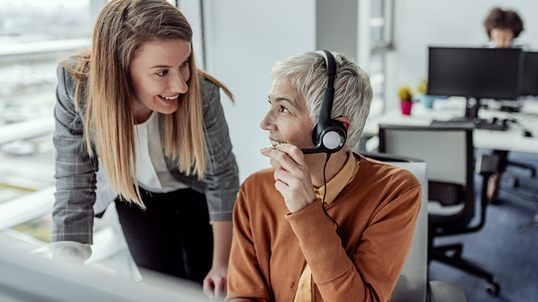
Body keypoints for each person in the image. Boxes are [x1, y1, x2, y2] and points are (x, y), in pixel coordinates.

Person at [49, 0, 239, 299]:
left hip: (197, 193)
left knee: (210, 286)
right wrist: (62, 276)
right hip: (136, 196)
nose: (181, 85)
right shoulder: (77, 86)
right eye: (162, 72)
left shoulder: (202, 94)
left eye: (184, 64)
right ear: (120, 69)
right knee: (164, 291)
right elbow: (74, 181)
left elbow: (222, 176)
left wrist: (223, 263)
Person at [226, 51, 421, 301]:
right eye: (270, 105)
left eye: (283, 108)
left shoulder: (395, 191)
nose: (265, 123)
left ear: (332, 133)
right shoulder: (255, 189)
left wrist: (306, 210)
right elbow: (243, 295)